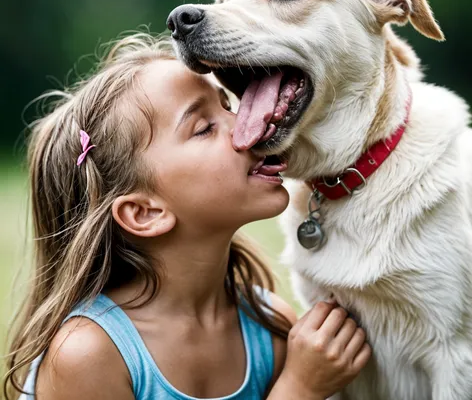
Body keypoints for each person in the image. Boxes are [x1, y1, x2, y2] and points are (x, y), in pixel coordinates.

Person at [3, 33, 371, 400]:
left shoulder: (267, 325)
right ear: (145, 213)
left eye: (227, 105)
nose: (249, 125)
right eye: (204, 127)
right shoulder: (88, 353)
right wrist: (300, 389)